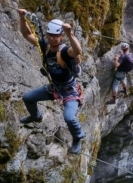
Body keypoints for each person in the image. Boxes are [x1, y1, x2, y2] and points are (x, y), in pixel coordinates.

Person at [17, 9, 85, 154]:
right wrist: (22, 18)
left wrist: (70, 33)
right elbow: (27, 34)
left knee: (69, 118)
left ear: (61, 37)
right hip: (54, 87)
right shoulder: (45, 46)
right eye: (50, 35)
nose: (52, 38)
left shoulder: (65, 51)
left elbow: (77, 50)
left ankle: (77, 138)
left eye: (56, 36)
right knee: (28, 98)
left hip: (69, 90)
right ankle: (36, 116)